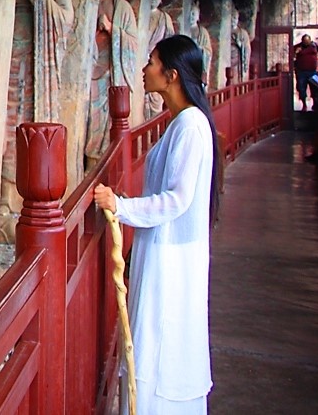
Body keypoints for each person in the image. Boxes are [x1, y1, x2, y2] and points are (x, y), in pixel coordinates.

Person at [93, 35, 219, 415]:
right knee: (153, 348)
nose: (144, 68)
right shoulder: (178, 122)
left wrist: (121, 206)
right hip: (162, 252)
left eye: (151, 62)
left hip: (173, 263)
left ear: (172, 75)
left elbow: (177, 200)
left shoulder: (191, 126)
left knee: (162, 348)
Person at [1, 0, 74, 238]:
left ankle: (24, 200)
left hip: (36, 62)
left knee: (30, 124)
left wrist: (42, 1)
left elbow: (67, 18)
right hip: (5, 62)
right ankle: (2, 199)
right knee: (3, 127)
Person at [85, 0, 137, 164]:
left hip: (109, 76)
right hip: (87, 76)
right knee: (86, 123)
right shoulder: (86, 3)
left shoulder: (122, 8)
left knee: (103, 128)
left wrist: (112, 29)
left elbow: (133, 43)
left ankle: (99, 167)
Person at [144, 0, 175, 119]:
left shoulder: (164, 19)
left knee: (154, 107)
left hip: (157, 68)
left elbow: (170, 47)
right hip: (141, 66)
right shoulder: (140, 16)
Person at [293, 34, 318, 111]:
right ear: (302, 41)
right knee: (301, 89)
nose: (306, 43)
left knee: (315, 89)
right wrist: (296, 52)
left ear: (310, 40)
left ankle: (315, 105)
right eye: (304, 41)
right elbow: (292, 57)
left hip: (313, 72)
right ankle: (304, 105)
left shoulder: (314, 45)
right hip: (301, 72)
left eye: (307, 41)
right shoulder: (297, 47)